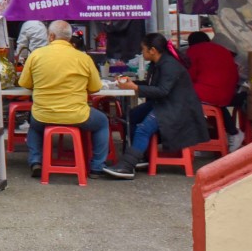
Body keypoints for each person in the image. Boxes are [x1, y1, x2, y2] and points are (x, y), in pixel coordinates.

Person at [103, 32, 210, 179]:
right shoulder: (156, 64)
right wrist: (132, 84)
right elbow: (150, 86)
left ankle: (127, 166)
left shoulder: (170, 65)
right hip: (163, 103)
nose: (142, 52)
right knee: (130, 118)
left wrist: (135, 88)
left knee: (143, 129)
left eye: (143, 50)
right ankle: (139, 156)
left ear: (152, 50)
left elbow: (162, 91)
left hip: (176, 108)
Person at [18, 20, 110, 180]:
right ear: (69, 38)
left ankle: (36, 162)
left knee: (34, 124)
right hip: (77, 115)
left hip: (43, 115)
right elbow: (95, 88)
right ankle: (96, 167)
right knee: (102, 122)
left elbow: (25, 83)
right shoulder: (83, 58)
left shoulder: (36, 55)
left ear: (51, 36)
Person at [185, 31, 244, 151]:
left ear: (191, 43)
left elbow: (188, 76)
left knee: (180, 101)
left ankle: (195, 138)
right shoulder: (222, 50)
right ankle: (230, 132)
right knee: (216, 107)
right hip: (227, 94)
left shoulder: (193, 51)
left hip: (205, 94)